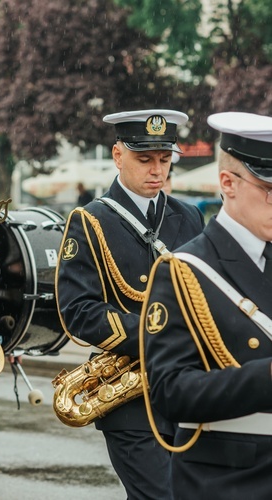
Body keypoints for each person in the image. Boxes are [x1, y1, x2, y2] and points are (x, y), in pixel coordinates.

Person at [56, 109, 205, 499]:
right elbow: (78, 312)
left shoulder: (189, 217)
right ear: (118, 155)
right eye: (144, 159)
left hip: (189, 391)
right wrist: (158, 334)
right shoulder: (90, 220)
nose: (157, 170)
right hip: (132, 401)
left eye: (164, 159)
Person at [142, 111, 272, 499]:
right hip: (230, 479)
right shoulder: (185, 269)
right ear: (228, 183)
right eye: (269, 188)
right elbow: (169, 391)